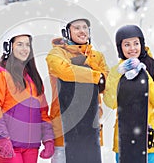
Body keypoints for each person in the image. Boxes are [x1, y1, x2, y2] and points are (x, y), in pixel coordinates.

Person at [0, 30, 55, 163]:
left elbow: (43, 112)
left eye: (27, 45)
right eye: (20, 44)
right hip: (9, 145)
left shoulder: (33, 78)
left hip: (31, 147)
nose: (25, 49)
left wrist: (48, 138)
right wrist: (2, 137)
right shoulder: (0, 73)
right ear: (9, 47)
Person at [46, 17, 109, 163]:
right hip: (64, 130)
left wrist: (87, 64)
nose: (82, 31)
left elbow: (105, 82)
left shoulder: (97, 56)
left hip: (90, 129)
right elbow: (64, 71)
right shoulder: (56, 53)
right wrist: (95, 75)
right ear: (67, 32)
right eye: (77, 28)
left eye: (85, 27)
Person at [103, 25, 154, 163]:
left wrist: (145, 78)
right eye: (127, 44)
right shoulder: (117, 71)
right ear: (120, 48)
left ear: (142, 44)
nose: (132, 48)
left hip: (152, 142)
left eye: (136, 43)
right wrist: (117, 75)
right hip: (125, 142)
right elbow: (111, 103)